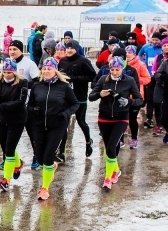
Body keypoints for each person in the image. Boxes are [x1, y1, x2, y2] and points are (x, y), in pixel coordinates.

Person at [26, 58, 79, 201]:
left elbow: (75, 104)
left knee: (48, 155)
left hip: (57, 125)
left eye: (49, 68)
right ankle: (51, 166)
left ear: (55, 70)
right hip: (38, 125)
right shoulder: (37, 86)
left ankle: (44, 188)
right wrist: (33, 110)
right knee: (40, 156)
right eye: (44, 68)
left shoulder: (64, 87)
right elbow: (29, 105)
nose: (46, 71)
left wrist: (66, 114)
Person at [88, 55, 143, 190]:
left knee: (112, 146)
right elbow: (91, 97)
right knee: (109, 148)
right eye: (112, 69)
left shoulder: (129, 80)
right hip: (104, 118)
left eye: (117, 69)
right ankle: (116, 170)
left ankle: (107, 179)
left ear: (122, 68)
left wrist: (128, 102)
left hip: (121, 118)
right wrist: (100, 94)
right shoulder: (103, 79)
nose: (114, 72)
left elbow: (139, 99)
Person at [0, 59, 29, 191]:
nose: (7, 75)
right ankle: (18, 164)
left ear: (15, 71)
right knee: (5, 148)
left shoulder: (23, 83)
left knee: (9, 150)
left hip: (17, 119)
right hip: (3, 118)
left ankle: (6, 180)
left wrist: (1, 106)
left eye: (10, 72)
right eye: (5, 72)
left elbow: (20, 102)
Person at [57, 41, 97, 160]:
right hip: (65, 98)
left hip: (79, 96)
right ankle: (61, 152)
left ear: (77, 49)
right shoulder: (62, 61)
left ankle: (88, 141)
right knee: (64, 124)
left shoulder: (83, 61)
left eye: (71, 48)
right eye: (67, 48)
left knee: (81, 122)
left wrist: (74, 79)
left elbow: (92, 76)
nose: (69, 50)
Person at [7, 40, 40, 169]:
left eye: (15, 49)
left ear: (21, 50)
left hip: (27, 104)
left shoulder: (29, 64)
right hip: (12, 104)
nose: (12, 52)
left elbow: (37, 82)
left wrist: (24, 85)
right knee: (11, 134)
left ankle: (36, 156)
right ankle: (10, 158)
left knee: (32, 132)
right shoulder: (8, 64)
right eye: (10, 49)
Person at [125, 45, 152, 148]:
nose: (127, 54)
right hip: (124, 95)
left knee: (132, 118)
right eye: (126, 53)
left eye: (130, 53)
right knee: (123, 117)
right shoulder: (121, 65)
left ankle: (134, 138)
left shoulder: (140, 65)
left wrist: (135, 80)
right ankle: (122, 136)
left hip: (136, 96)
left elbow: (148, 78)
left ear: (134, 54)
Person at [138, 32, 163, 130]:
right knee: (149, 98)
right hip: (149, 76)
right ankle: (149, 118)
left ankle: (159, 119)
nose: (155, 42)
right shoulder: (147, 48)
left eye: (157, 40)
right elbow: (139, 55)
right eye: (153, 39)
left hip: (159, 77)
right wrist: (144, 63)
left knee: (158, 99)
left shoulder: (162, 49)